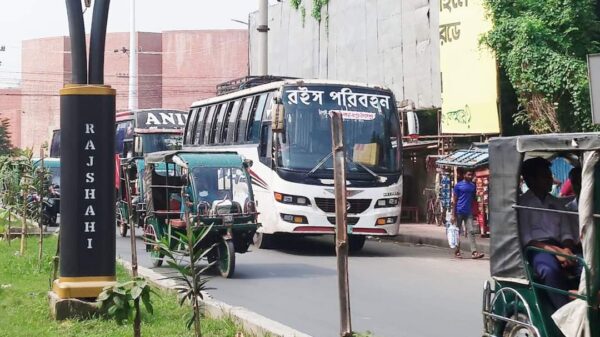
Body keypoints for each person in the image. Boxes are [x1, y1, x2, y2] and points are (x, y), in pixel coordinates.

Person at [518, 157, 580, 311]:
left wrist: (566, 250)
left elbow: (567, 232)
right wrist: (556, 252)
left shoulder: (556, 202)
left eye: (549, 175)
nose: (550, 180)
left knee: (588, 265)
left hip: (561, 247)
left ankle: (586, 303)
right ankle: (565, 313)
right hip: (537, 249)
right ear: (530, 180)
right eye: (545, 176)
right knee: (549, 270)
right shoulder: (522, 204)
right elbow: (527, 239)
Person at [451, 168, 485, 259]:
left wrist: (476, 211)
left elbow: (473, 200)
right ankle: (457, 251)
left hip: (468, 212)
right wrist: (453, 214)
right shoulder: (458, 186)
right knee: (457, 232)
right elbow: (454, 200)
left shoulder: (472, 186)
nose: (470, 176)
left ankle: (474, 252)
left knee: (471, 231)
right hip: (458, 212)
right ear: (464, 175)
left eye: (471, 175)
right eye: (468, 174)